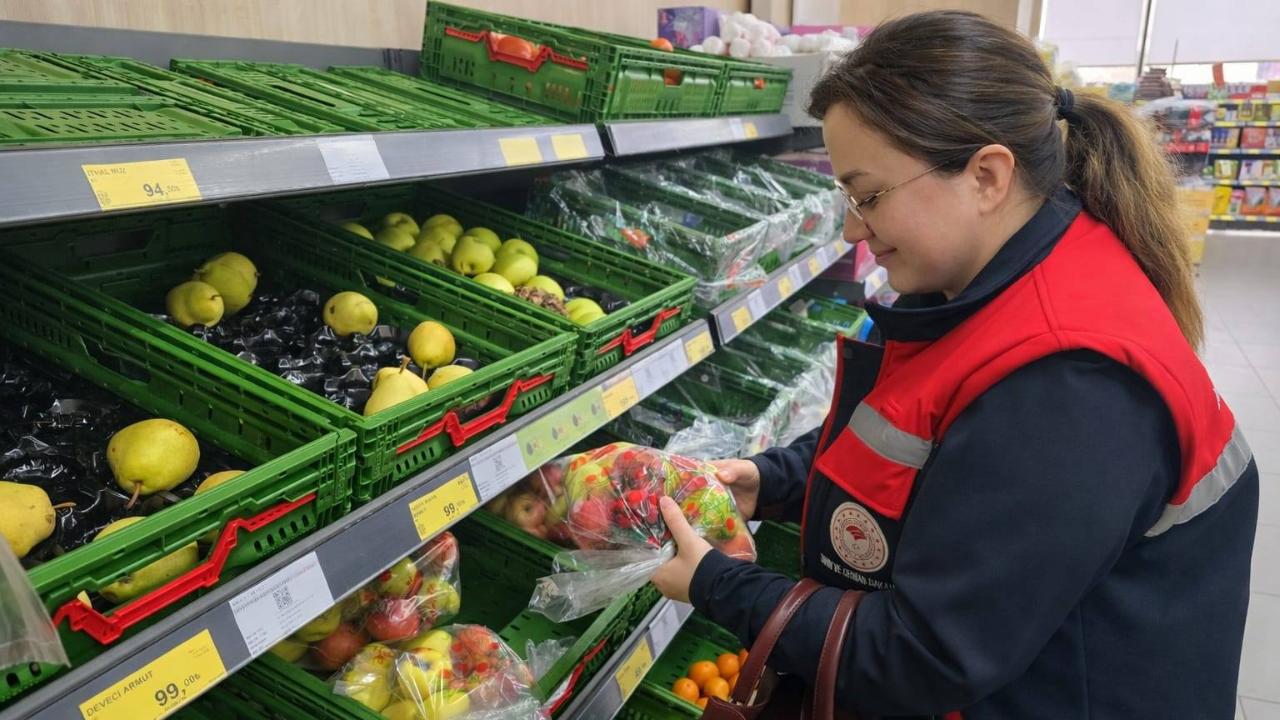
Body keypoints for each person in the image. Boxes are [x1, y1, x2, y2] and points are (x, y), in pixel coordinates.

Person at [650, 10, 1259, 719]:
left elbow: (923, 657)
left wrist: (719, 584)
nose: (852, 227)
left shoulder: (1069, 385)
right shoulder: (1002, 281)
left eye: (869, 195)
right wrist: (776, 480)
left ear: (987, 176)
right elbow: (927, 438)